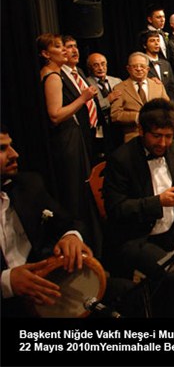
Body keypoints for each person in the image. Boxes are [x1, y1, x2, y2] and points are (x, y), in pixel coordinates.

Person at [103, 99, 174, 317]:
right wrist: (158, 202)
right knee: (170, 273)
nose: (163, 143)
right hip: (136, 236)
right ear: (141, 130)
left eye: (168, 136)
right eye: (156, 136)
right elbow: (116, 209)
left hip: (171, 229)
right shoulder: (121, 159)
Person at [1, 125, 93, 317]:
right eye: (2, 149)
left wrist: (71, 236)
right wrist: (6, 282)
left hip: (47, 284)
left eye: (11, 146)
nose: (15, 154)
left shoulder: (28, 184)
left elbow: (70, 221)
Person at [38, 33, 102, 254]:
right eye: (58, 47)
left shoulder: (54, 74)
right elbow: (55, 115)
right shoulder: (53, 77)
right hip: (66, 138)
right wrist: (83, 98)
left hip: (71, 137)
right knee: (75, 192)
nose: (64, 50)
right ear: (46, 54)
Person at [111, 52, 169, 143]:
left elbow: (168, 109)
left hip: (158, 136)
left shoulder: (158, 86)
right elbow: (115, 115)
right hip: (132, 137)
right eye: (135, 66)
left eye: (142, 66)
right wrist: (137, 116)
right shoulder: (120, 88)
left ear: (147, 69)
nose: (138, 69)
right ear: (128, 69)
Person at [86, 52, 123, 157]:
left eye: (103, 64)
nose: (100, 68)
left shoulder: (117, 81)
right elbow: (90, 107)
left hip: (118, 127)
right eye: (96, 65)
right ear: (90, 68)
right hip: (100, 130)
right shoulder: (86, 83)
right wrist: (108, 100)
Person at [141, 30, 174, 105]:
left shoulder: (166, 64)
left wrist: (171, 104)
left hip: (166, 105)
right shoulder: (141, 64)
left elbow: (172, 87)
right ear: (145, 45)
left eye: (158, 40)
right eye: (152, 41)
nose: (156, 43)